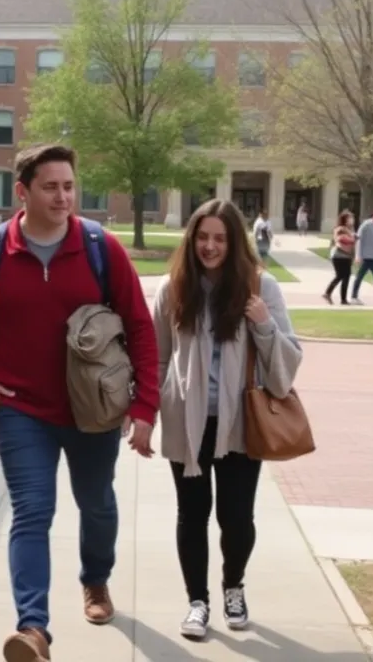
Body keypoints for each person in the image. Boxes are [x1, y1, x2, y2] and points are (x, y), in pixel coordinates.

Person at [0, 143, 160, 662]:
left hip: (94, 411)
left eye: (69, 186)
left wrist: (144, 407)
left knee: (97, 505)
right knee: (31, 512)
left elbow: (139, 327)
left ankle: (96, 579)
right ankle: (33, 629)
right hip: (21, 410)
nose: (63, 197)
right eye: (50, 187)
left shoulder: (100, 248)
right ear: (23, 192)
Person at [151, 199, 303, 641]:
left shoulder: (262, 287)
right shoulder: (174, 288)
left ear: (235, 241)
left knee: (237, 519)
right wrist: (157, 408)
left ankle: (233, 585)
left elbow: (289, 362)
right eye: (202, 237)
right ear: (191, 239)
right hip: (188, 422)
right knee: (191, 515)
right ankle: (197, 601)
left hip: (240, 423)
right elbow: (158, 357)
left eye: (220, 238)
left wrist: (264, 325)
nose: (210, 246)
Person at [322, 210, 357, 305]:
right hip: (339, 256)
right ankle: (331, 294)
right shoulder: (341, 229)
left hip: (346, 256)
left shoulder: (349, 229)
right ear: (345, 219)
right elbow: (341, 239)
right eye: (350, 218)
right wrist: (353, 239)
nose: (352, 220)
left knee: (345, 276)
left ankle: (340, 297)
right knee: (342, 275)